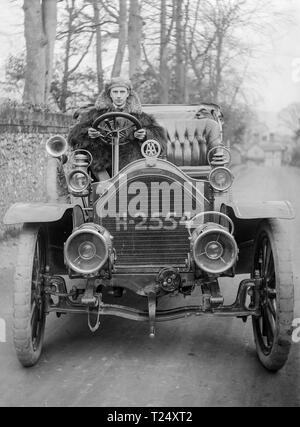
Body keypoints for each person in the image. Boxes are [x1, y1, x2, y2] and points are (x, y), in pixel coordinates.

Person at [68, 77, 167, 180]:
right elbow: (74, 135)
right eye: (115, 92)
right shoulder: (94, 114)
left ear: (128, 94)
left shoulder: (140, 116)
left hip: (131, 164)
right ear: (109, 94)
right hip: (102, 164)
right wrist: (88, 133)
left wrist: (145, 134)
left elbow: (159, 137)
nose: (119, 96)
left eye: (122, 92)